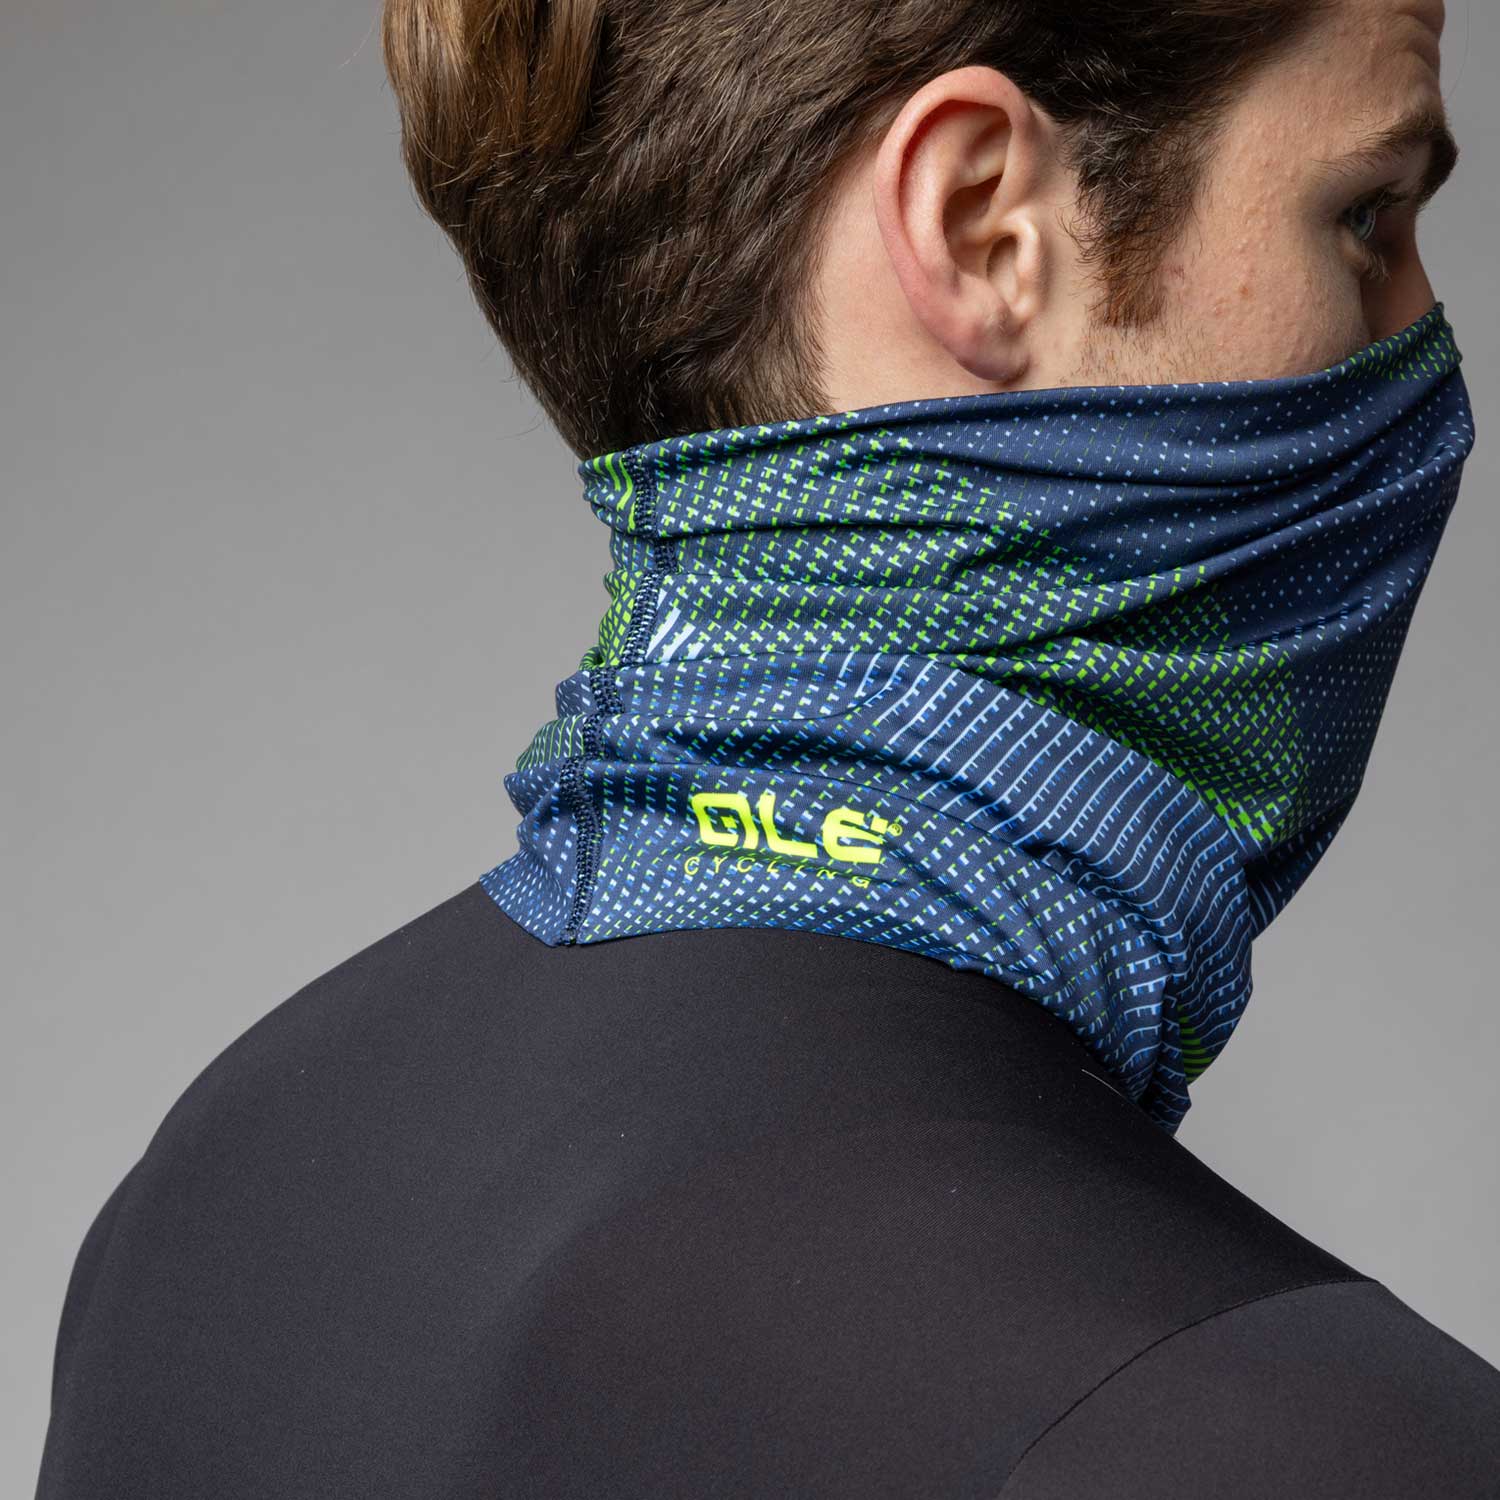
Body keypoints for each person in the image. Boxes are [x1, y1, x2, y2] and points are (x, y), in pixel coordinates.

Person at [35, 0, 1500, 1494]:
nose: (1427, 348)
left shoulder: (200, 1211)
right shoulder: (1309, 1436)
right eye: (1367, 216)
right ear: (984, 225)